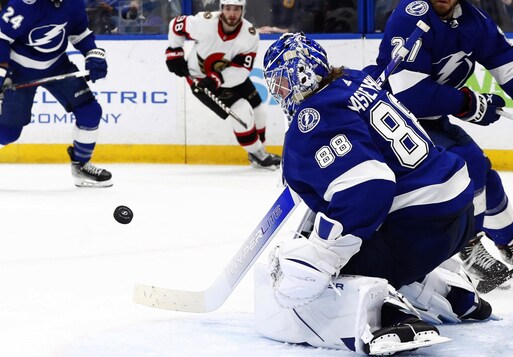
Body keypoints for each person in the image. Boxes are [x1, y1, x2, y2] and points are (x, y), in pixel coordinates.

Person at [257, 32, 494, 354]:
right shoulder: (353, 80)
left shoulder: (313, 119)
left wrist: (326, 254)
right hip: (455, 213)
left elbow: (370, 186)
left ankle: (390, 318)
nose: (281, 93)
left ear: (302, 76)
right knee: (383, 251)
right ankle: (455, 296)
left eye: (283, 83)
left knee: (331, 270)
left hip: (419, 224)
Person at [365, 0, 513, 286]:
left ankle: (510, 243)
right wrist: (467, 102)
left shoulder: (475, 21)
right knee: (468, 163)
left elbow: (512, 73)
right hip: (393, 116)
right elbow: (411, 95)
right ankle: (469, 249)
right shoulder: (410, 16)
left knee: (484, 174)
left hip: (431, 117)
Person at [0, 0, 112, 187]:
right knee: (8, 133)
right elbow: (2, 38)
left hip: (57, 65)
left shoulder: (73, 3)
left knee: (90, 112)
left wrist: (93, 52)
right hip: (18, 70)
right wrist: (1, 70)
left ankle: (81, 166)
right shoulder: (23, 4)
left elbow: (80, 34)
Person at [165, 0, 280, 169]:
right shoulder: (205, 22)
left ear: (243, 10)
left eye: (236, 9)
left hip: (232, 75)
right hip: (200, 79)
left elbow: (242, 69)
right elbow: (176, 24)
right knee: (242, 112)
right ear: (221, 9)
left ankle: (257, 150)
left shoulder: (250, 35)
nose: (232, 14)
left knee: (259, 111)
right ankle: (258, 154)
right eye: (228, 9)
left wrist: (217, 79)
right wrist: (174, 52)